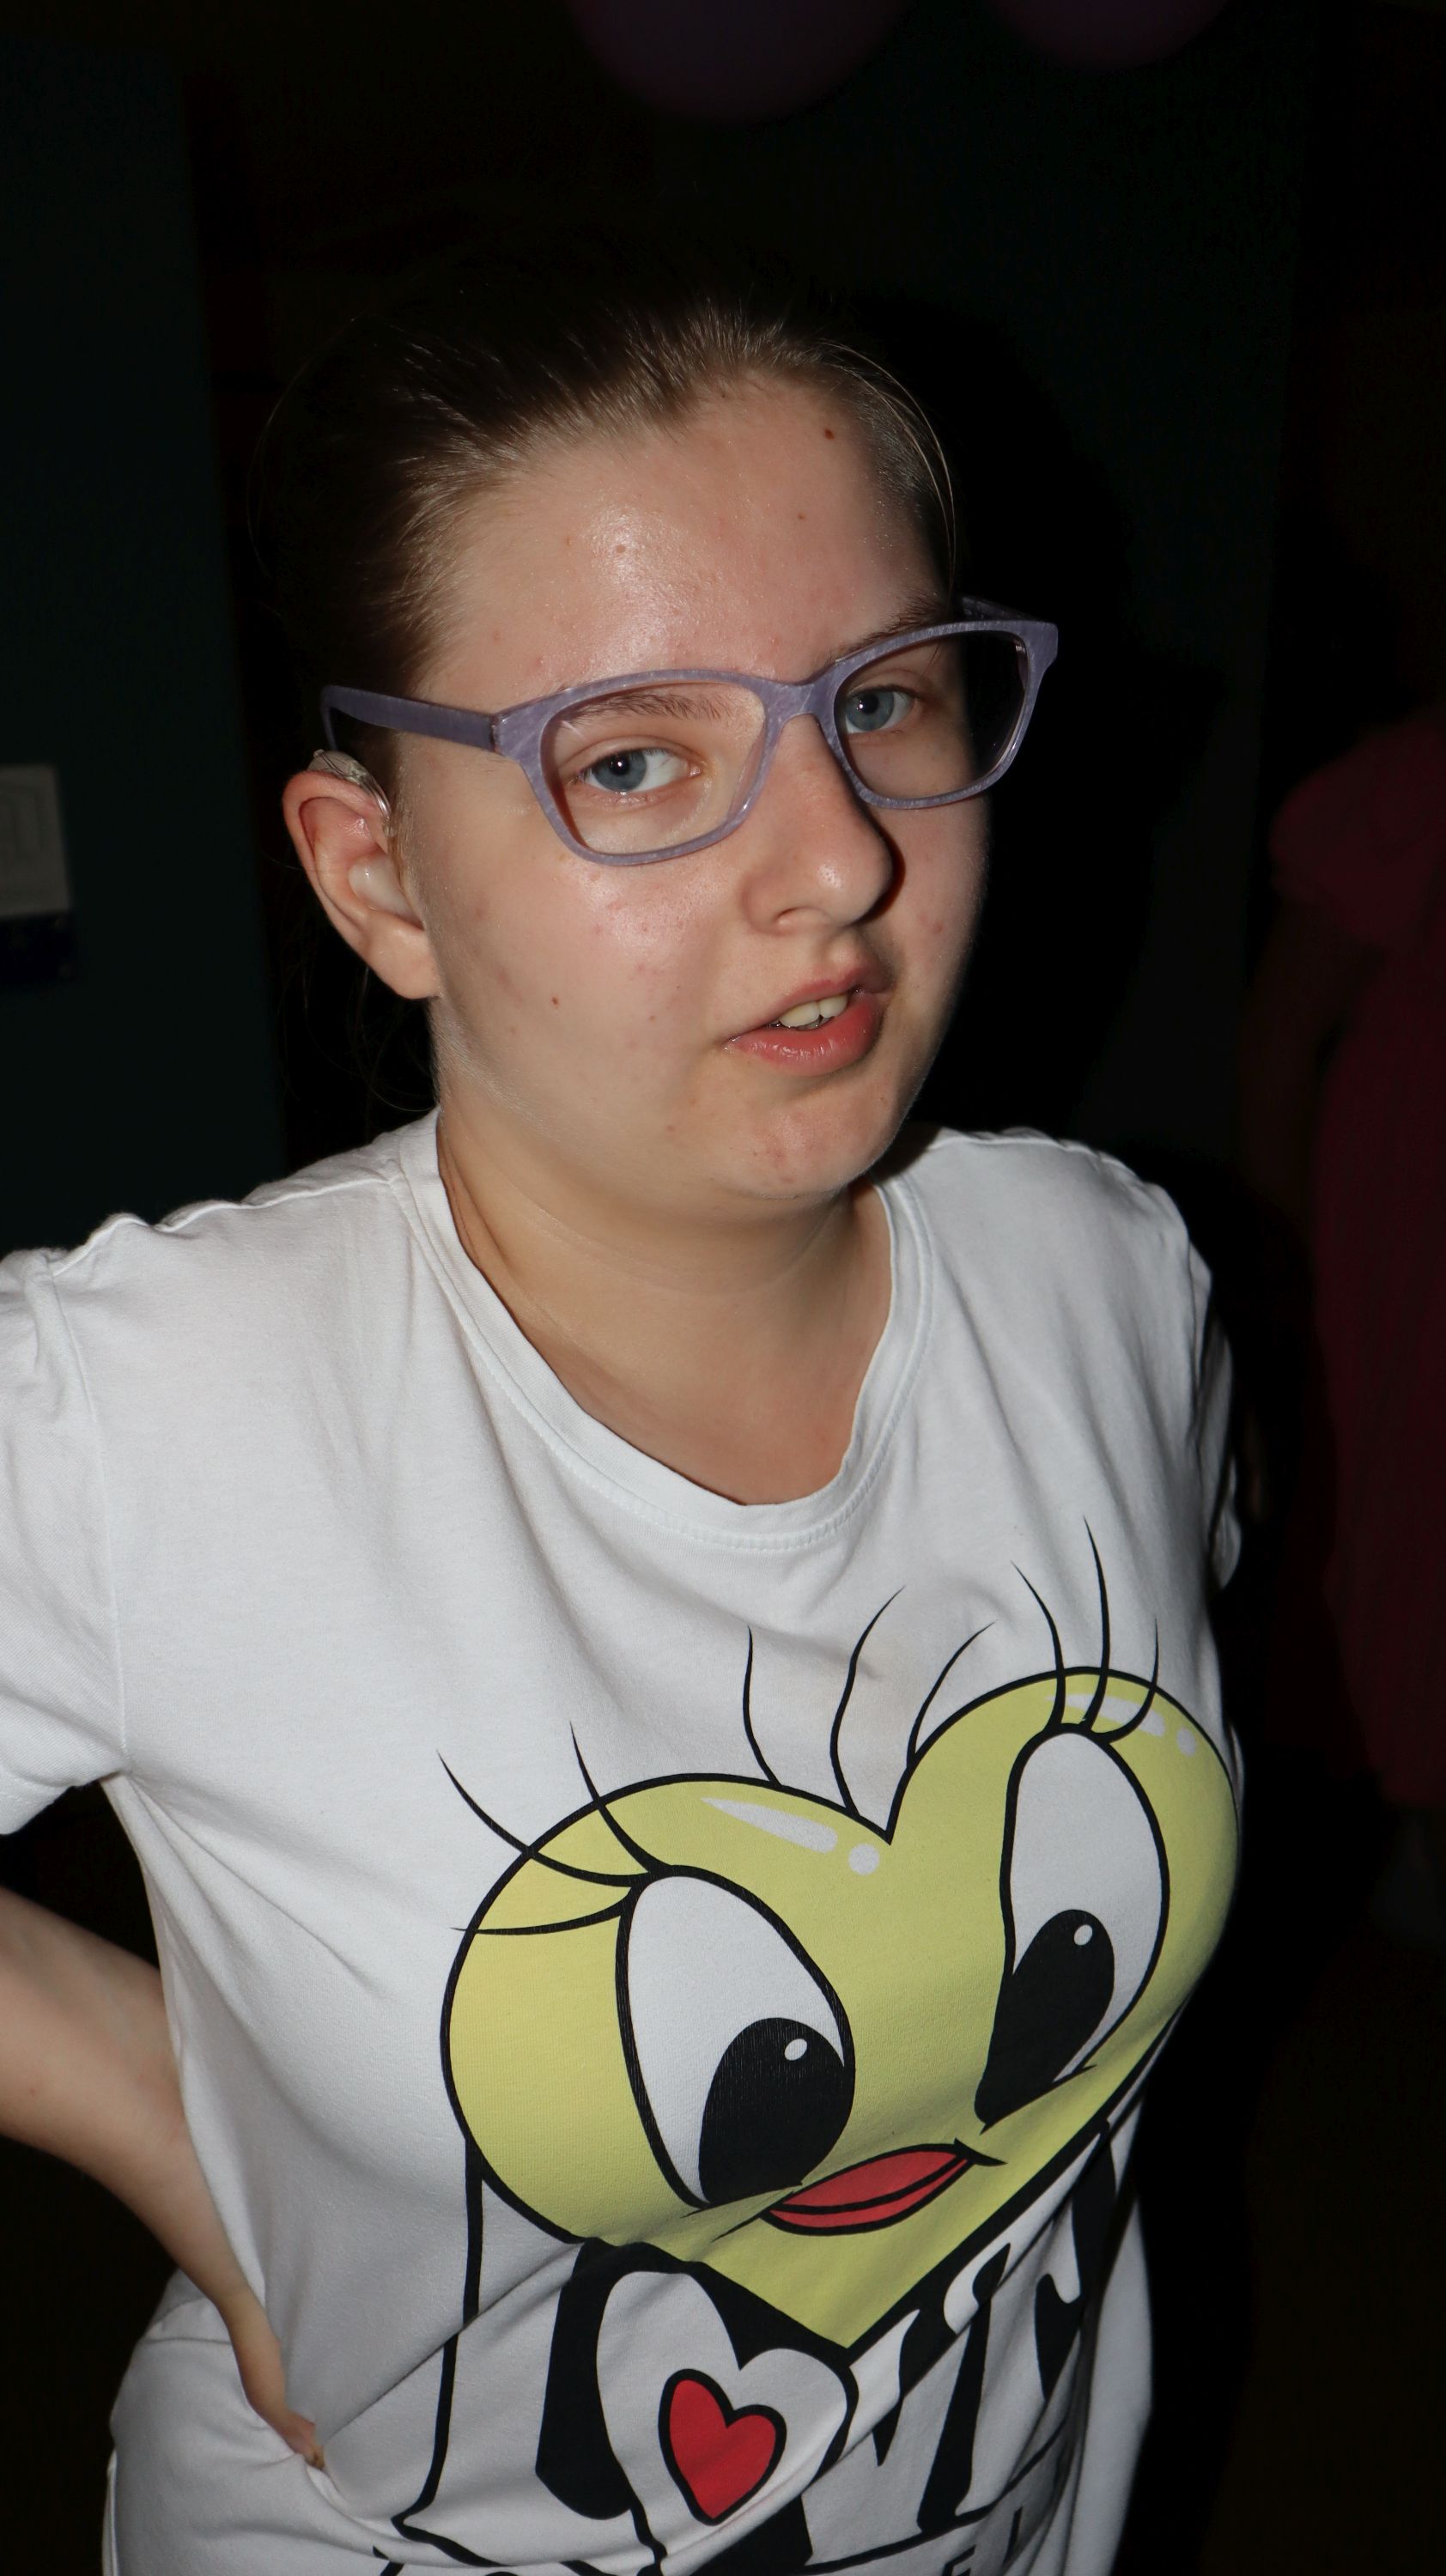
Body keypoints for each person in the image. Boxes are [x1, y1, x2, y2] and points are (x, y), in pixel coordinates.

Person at [0, 244, 1240, 2576]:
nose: (839, 862)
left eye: (882, 702)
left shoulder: (1106, 1279)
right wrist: (162, 2117)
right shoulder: (151, 1414)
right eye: (636, 758)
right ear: (377, 875)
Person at [1239, 700, 1446, 1917]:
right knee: (1385, 1555)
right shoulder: (1423, 781)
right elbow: (1280, 1041)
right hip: (1398, 1276)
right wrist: (1285, 1278)